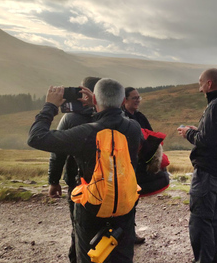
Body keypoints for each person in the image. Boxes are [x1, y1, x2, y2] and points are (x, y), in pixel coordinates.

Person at [28, 78, 142, 263]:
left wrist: (50, 106)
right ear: (123, 102)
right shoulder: (134, 127)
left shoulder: (85, 133)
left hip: (92, 206)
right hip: (124, 205)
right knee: (122, 256)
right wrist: (96, 105)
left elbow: (36, 137)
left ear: (95, 99)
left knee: (89, 255)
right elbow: (115, 119)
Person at [177, 68, 217, 263]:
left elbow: (206, 141)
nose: (200, 88)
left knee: (200, 220)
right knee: (213, 217)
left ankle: (204, 259)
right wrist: (199, 129)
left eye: (201, 83)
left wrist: (188, 133)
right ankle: (214, 258)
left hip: (208, 170)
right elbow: (215, 135)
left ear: (209, 84)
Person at [47, 76, 100, 263]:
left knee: (79, 228)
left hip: (79, 184)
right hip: (108, 183)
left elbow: (57, 153)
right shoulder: (116, 117)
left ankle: (76, 258)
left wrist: (53, 181)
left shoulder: (70, 118)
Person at [122, 86, 152, 244]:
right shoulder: (121, 117)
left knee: (133, 200)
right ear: (124, 100)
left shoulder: (140, 117)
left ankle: (129, 233)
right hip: (123, 167)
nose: (138, 100)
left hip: (138, 166)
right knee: (124, 201)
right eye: (134, 98)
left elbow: (151, 136)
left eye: (139, 97)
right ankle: (124, 234)